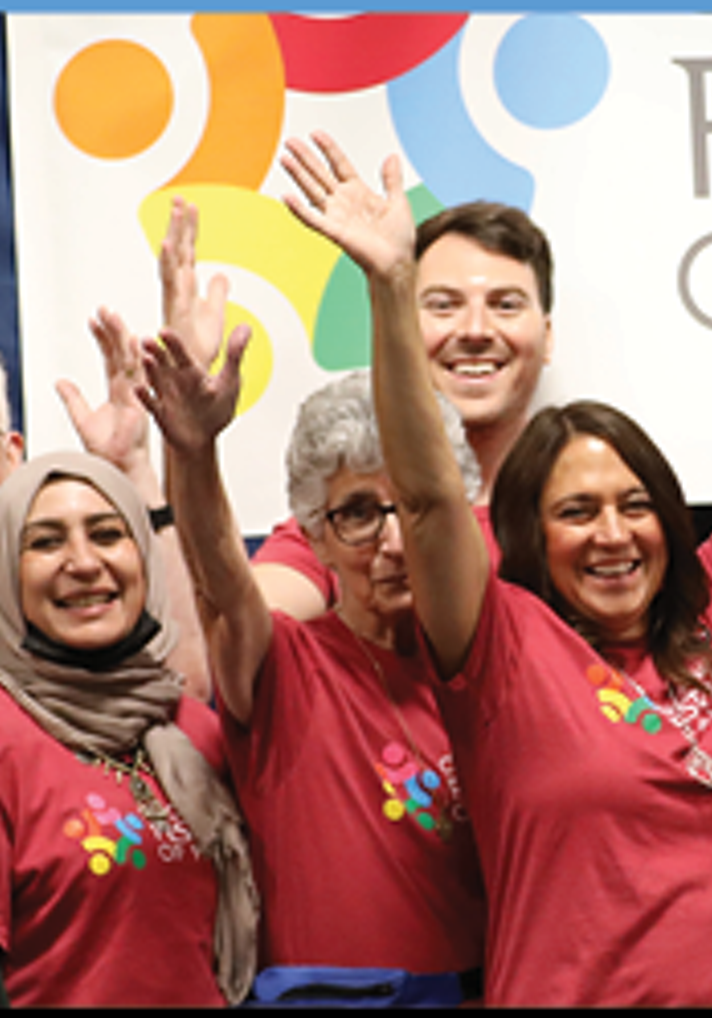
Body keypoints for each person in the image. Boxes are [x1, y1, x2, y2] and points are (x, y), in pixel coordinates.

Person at [276, 58, 712, 1005]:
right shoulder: (499, 649)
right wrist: (390, 287)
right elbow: (432, 496)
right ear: (533, 533)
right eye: (576, 512)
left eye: (635, 503)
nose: (613, 533)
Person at [137, 338, 489, 1004]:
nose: (390, 541)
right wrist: (193, 451)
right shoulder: (286, 666)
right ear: (313, 535)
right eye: (356, 513)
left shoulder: (496, 660)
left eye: (412, 505)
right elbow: (221, 584)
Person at [155, 195, 553, 620]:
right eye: (443, 305)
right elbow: (243, 623)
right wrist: (187, 444)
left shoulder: (597, 511)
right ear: (402, 327)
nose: (476, 330)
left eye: (506, 305)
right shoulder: (354, 510)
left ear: (547, 337)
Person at [0, 450, 257, 1005]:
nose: (84, 562)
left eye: (107, 534)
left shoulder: (193, 727)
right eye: (45, 542)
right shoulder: (5, 739)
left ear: (143, 553)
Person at [54, 306, 212, 702]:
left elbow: (186, 687)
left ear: (10, 452)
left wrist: (133, 471)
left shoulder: (46, 568)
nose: (84, 563)